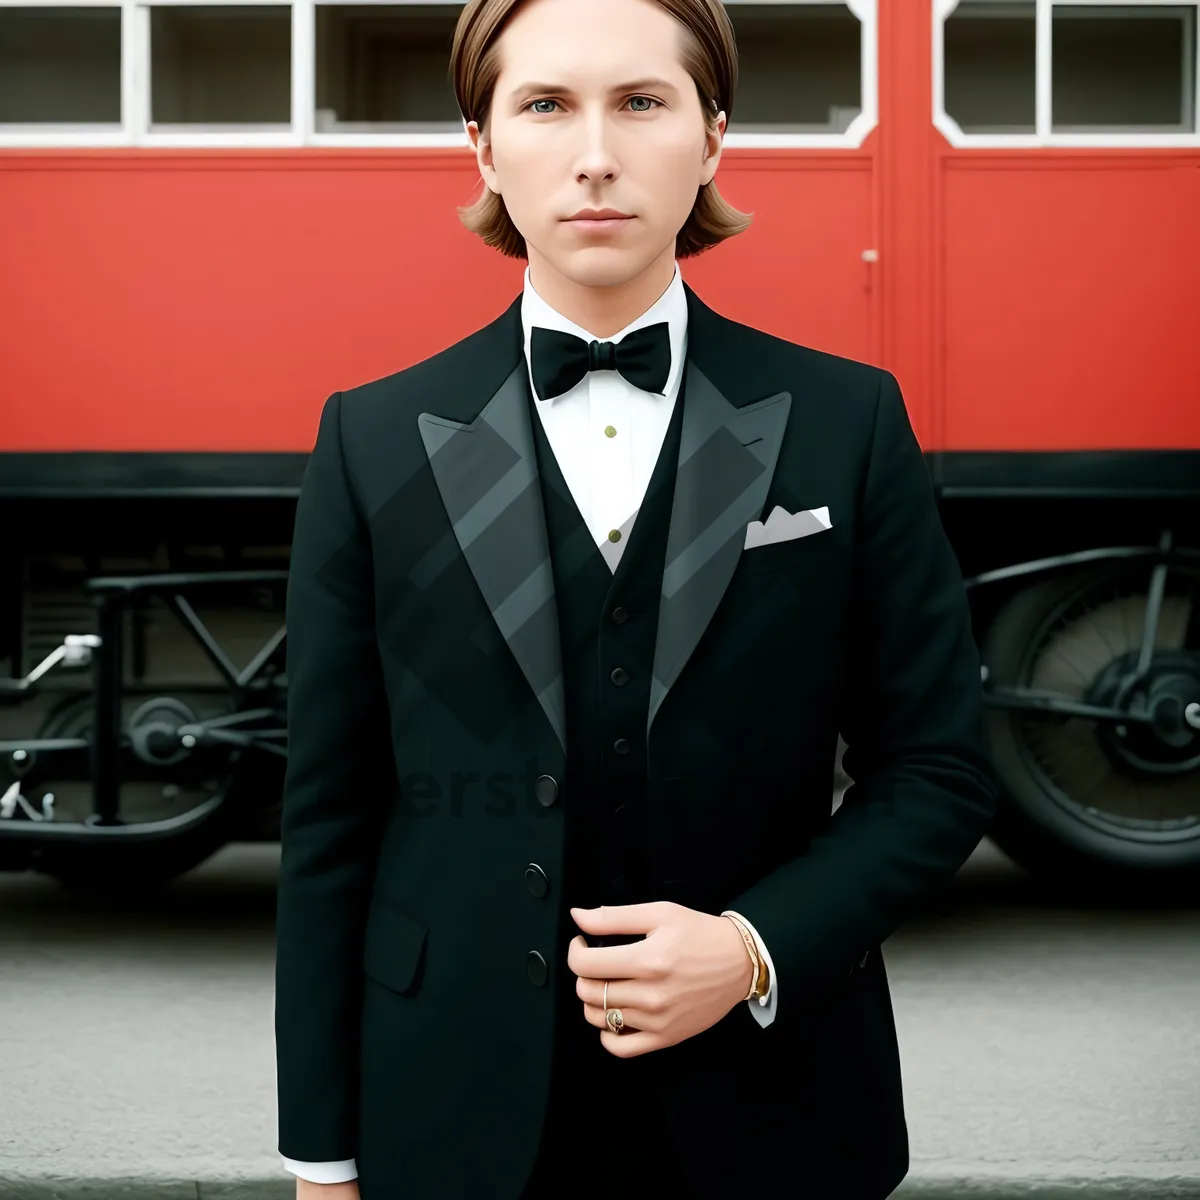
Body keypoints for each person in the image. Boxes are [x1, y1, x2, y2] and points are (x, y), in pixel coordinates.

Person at [274, 0, 1000, 1195]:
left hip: (777, 1109)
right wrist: (321, 1153)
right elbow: (332, 819)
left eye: (643, 103)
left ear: (712, 138)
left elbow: (937, 770)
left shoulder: (849, 422)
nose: (596, 153)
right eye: (546, 104)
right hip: (449, 1113)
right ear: (483, 145)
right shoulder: (369, 442)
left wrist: (751, 950)